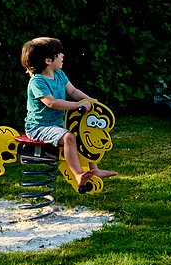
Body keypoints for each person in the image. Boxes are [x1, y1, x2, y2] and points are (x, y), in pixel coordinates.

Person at [21, 36, 117, 191]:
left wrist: (92, 101)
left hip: (57, 125)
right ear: (48, 60)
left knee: (82, 134)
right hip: (38, 127)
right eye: (59, 53)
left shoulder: (59, 74)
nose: (62, 55)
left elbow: (73, 91)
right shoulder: (37, 81)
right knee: (69, 138)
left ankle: (95, 168)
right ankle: (78, 175)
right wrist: (77, 106)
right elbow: (51, 102)